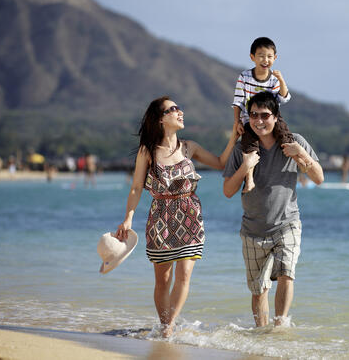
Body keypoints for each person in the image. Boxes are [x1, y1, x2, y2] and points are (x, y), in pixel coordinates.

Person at [115, 96, 238, 338]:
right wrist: (128, 218)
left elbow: (221, 162)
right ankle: (164, 326)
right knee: (163, 280)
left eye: (180, 107)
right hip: (160, 217)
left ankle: (168, 327)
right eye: (173, 109)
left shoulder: (188, 147)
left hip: (190, 215)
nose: (180, 112)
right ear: (161, 119)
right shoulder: (147, 151)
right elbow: (136, 188)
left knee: (184, 275)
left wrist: (234, 134)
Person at [223, 91, 324, 328]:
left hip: (287, 223)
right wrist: (245, 167)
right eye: (254, 115)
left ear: (276, 116)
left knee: (286, 275)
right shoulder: (242, 149)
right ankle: (262, 337)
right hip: (253, 229)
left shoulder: (294, 141)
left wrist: (301, 155)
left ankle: (280, 328)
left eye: (265, 115)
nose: (259, 121)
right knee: (259, 290)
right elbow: (227, 190)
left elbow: (319, 178)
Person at [232, 37, 293, 193]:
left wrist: (281, 79)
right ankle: (250, 180)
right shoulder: (244, 77)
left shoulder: (274, 79)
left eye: (269, 56)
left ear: (275, 58)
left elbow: (283, 98)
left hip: (272, 118)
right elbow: (238, 101)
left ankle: (301, 160)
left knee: (286, 137)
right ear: (252, 57)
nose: (265, 60)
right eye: (261, 55)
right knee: (249, 147)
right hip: (250, 119)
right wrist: (237, 121)